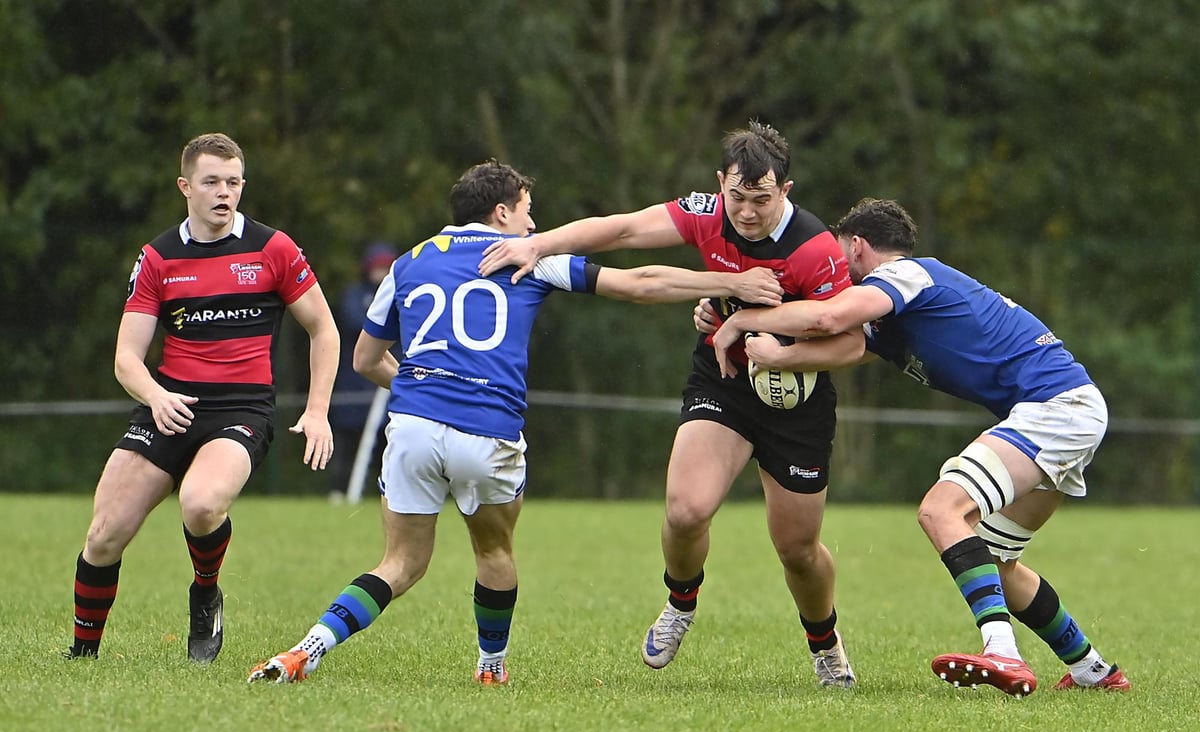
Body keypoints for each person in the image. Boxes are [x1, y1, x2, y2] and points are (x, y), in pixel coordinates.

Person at [247, 158, 785, 685]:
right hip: (487, 431)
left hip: (412, 426)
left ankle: (308, 648)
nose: (534, 225)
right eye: (527, 211)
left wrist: (422, 387)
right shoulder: (531, 257)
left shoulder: (407, 263)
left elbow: (366, 359)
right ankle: (491, 666)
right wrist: (731, 284)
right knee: (494, 551)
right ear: (501, 212)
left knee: (400, 563)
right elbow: (641, 282)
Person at [477, 121, 865, 688]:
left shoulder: (816, 250)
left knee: (797, 550)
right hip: (723, 380)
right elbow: (625, 229)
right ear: (720, 182)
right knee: (685, 511)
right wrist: (538, 244)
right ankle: (681, 603)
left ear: (785, 190)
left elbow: (850, 344)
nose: (747, 212)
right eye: (737, 197)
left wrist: (781, 351)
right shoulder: (707, 212)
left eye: (762, 200)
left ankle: (824, 642)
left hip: (796, 401)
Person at [709, 197, 1130, 696]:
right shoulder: (893, 315)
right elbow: (844, 346)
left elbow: (827, 317)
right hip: (1067, 410)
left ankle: (1002, 652)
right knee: (995, 562)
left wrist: (746, 323)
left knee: (940, 511)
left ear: (857, 246)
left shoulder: (906, 275)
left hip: (1055, 408)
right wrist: (743, 326)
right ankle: (1094, 670)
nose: (834, 272)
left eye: (839, 256)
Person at [66, 132, 339, 664]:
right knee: (104, 534)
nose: (224, 192)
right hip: (169, 405)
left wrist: (317, 411)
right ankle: (81, 657)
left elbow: (324, 330)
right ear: (185, 186)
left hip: (241, 409)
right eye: (211, 182)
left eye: (233, 182)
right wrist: (156, 396)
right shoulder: (158, 258)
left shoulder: (273, 249)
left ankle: (206, 593)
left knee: (201, 503)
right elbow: (126, 358)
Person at [327, 242, 398, 502]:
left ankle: (387, 491)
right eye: (377, 266)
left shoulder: (399, 292)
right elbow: (358, 323)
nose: (381, 272)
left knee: (388, 441)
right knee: (347, 441)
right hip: (355, 383)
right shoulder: (354, 295)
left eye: (386, 266)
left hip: (386, 382)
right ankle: (338, 491)